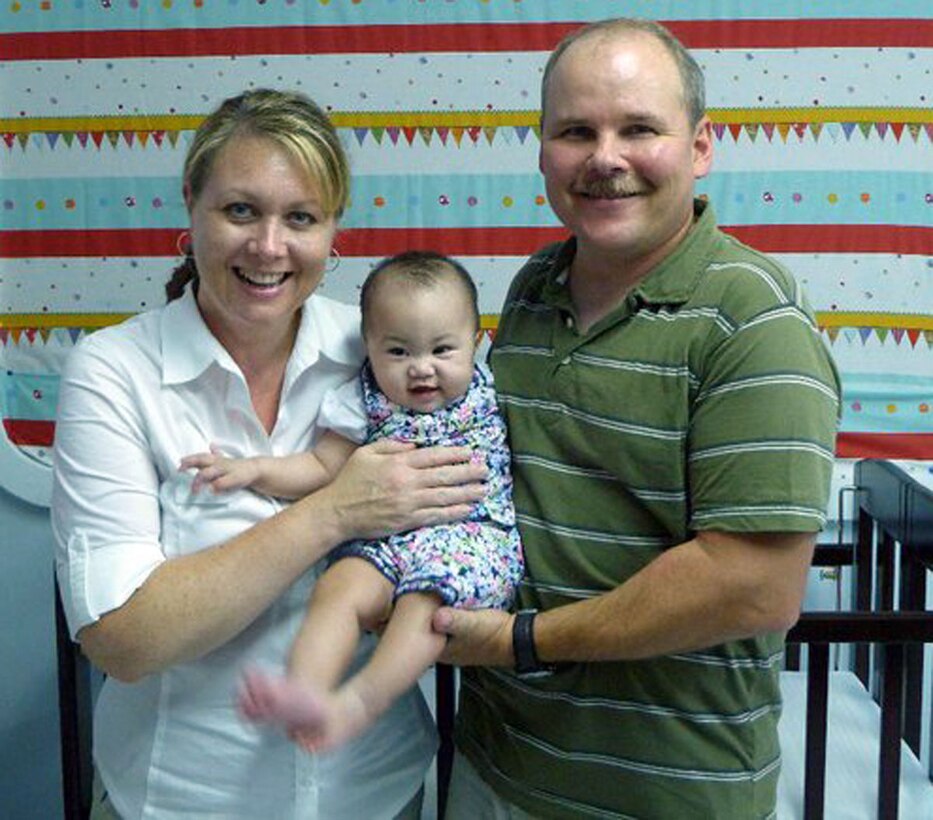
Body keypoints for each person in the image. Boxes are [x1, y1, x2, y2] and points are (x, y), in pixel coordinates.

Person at [432, 18, 841, 819]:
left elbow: (753, 587)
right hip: (493, 764)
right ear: (542, 149)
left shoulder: (751, 320)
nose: (604, 158)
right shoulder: (532, 289)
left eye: (638, 128)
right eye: (575, 130)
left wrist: (522, 641)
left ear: (698, 148)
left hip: (660, 793)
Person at [51, 89, 487, 820]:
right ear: (191, 209)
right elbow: (123, 641)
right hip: (174, 799)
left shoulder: (381, 350)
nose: (269, 247)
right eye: (241, 211)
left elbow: (471, 491)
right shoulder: (115, 370)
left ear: (333, 231)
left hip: (375, 789)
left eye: (301, 218)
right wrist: (333, 512)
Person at [179, 251, 523, 753]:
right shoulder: (359, 400)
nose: (421, 369)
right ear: (369, 348)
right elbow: (321, 468)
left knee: (422, 605)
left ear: (476, 343)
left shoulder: (491, 392)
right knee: (337, 587)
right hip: (384, 541)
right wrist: (252, 468)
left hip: (470, 539)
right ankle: (306, 691)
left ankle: (359, 702)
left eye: (442, 350)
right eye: (399, 352)